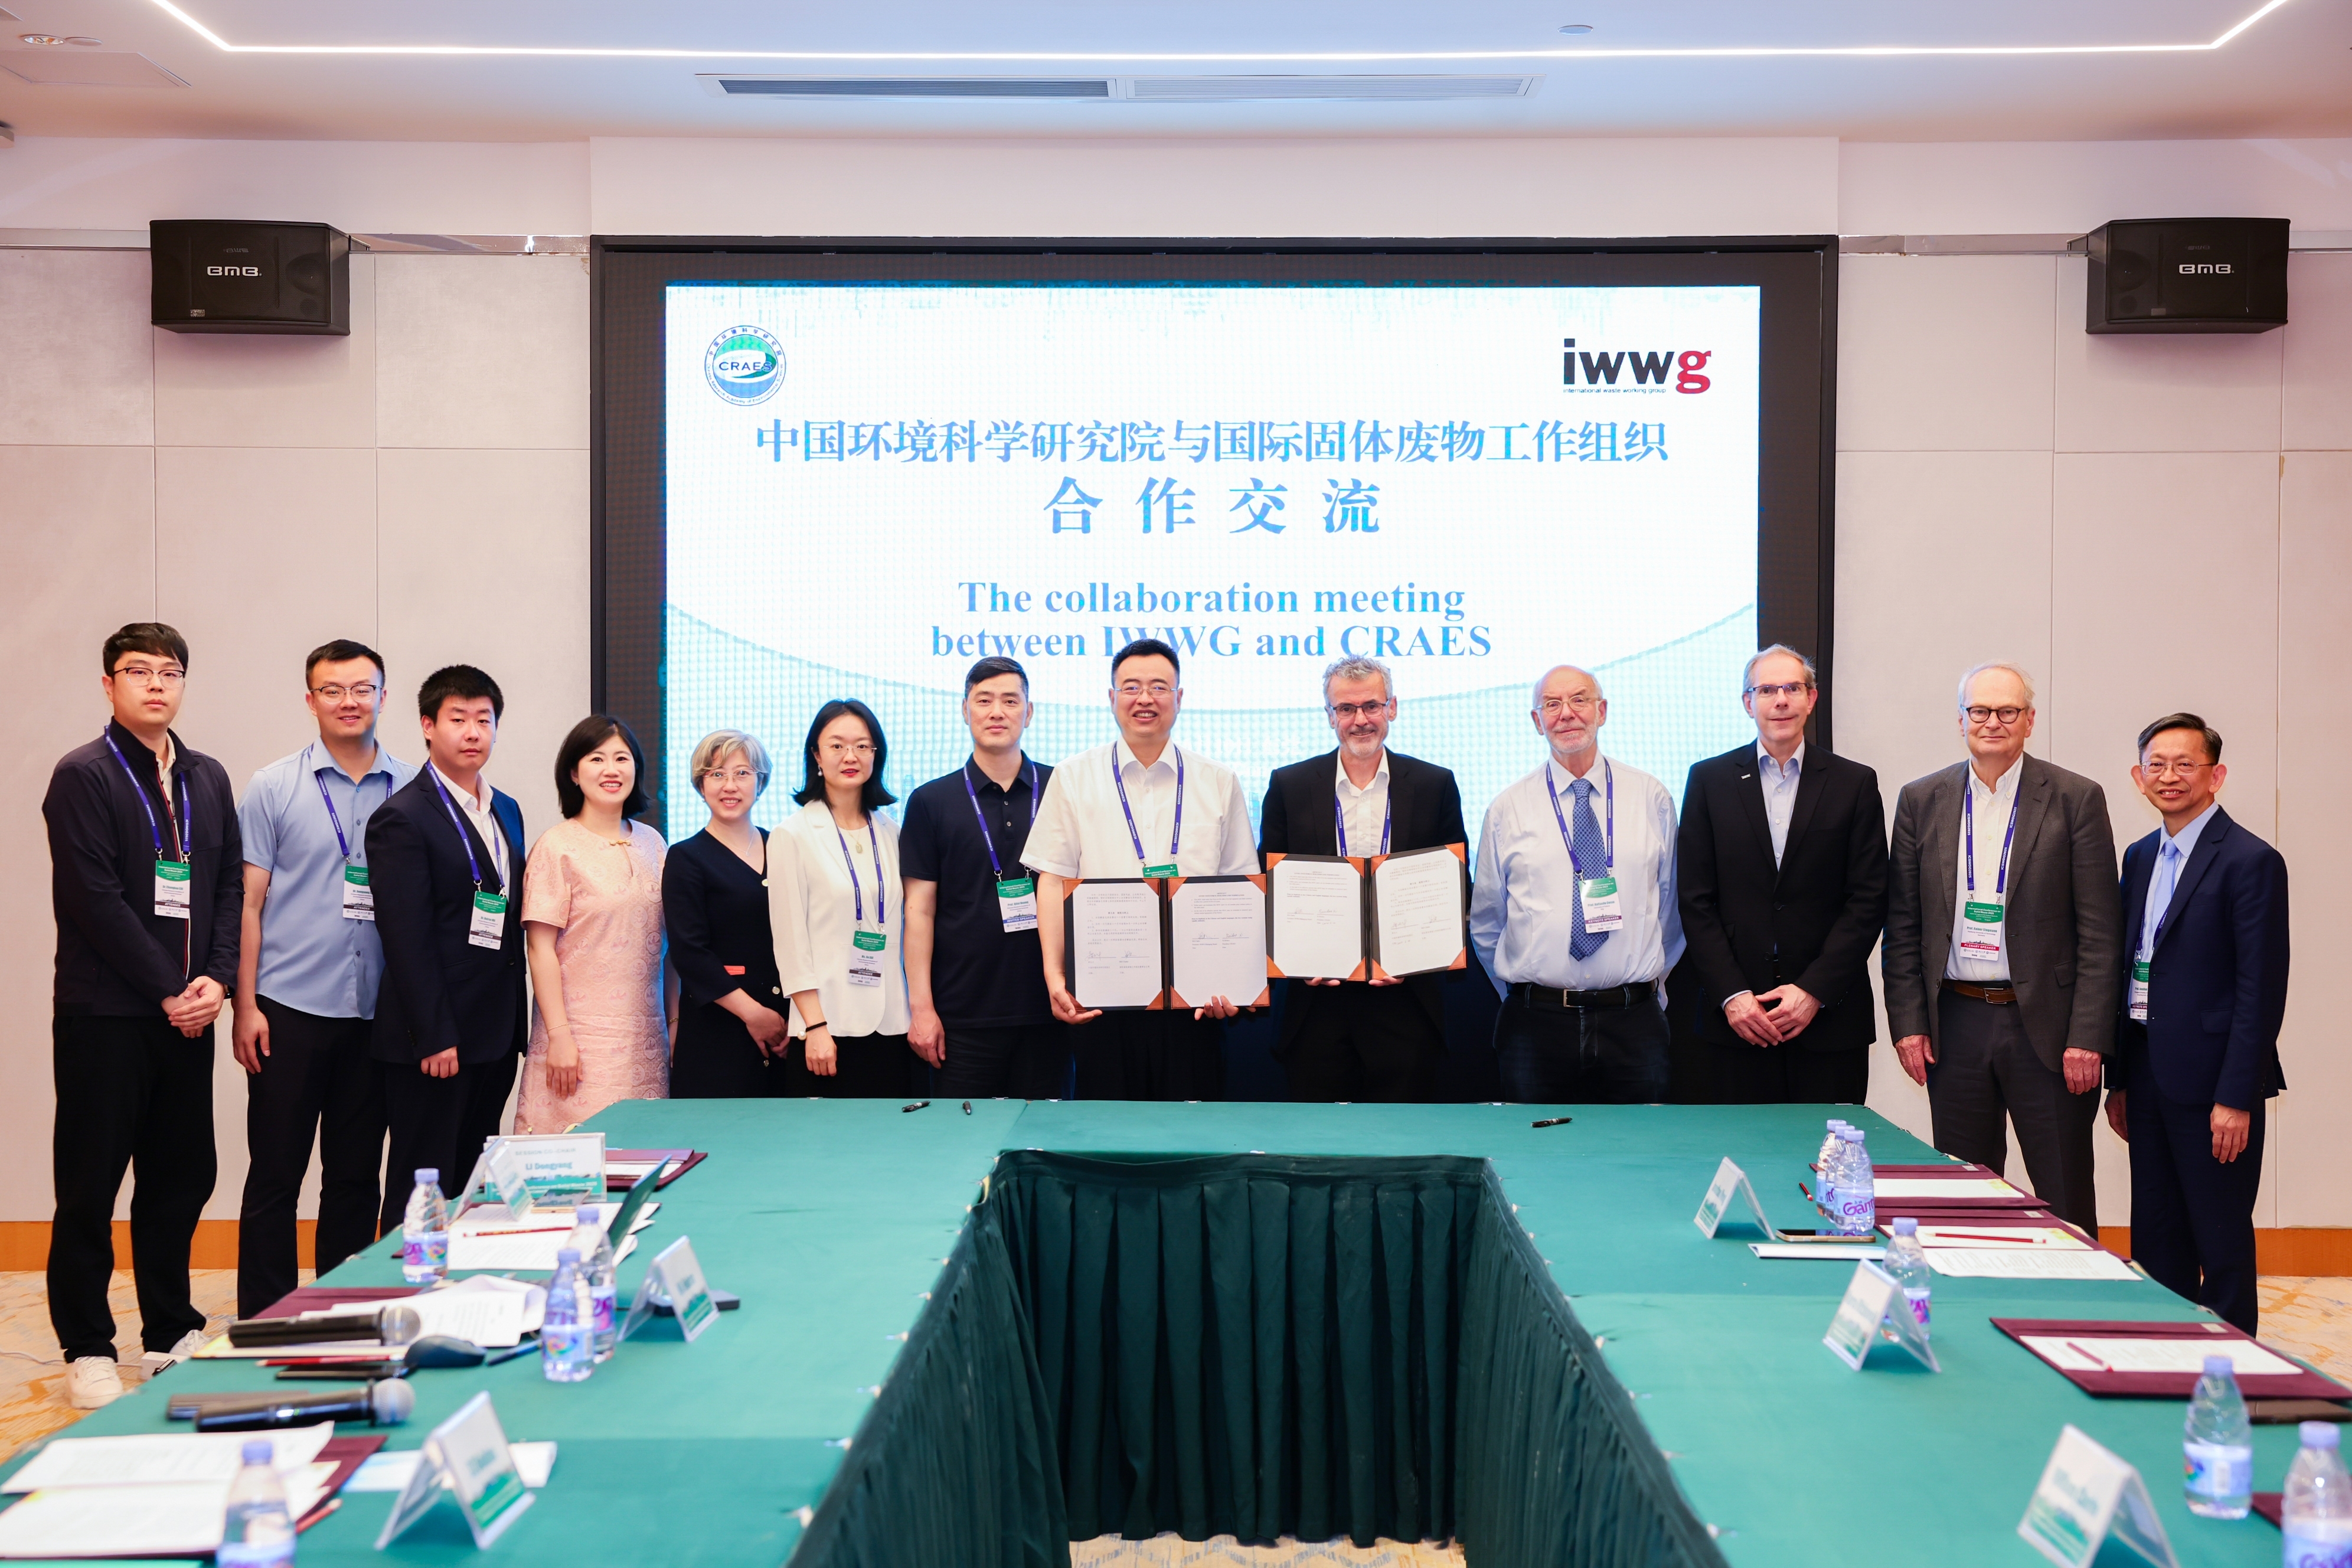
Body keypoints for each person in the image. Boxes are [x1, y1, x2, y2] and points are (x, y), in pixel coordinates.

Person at [43, 623, 240, 1408]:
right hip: (106, 1014)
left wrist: (216, 980)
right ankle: (87, 1344)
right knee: (89, 1183)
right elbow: (95, 901)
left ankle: (169, 1330)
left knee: (180, 1177)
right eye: (138, 671)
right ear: (109, 684)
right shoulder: (83, 775)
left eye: (170, 672)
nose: (156, 685)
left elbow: (227, 888)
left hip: (188, 1015)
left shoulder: (205, 776)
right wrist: (170, 989)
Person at [1883, 662, 2122, 1231]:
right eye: (1980, 711)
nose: (1993, 722)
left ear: (2029, 720)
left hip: (2049, 1029)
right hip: (1955, 1025)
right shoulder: (1921, 799)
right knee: (1965, 1193)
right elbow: (1904, 924)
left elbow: (2100, 932)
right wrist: (1909, 1025)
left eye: (2007, 711)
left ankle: (2071, 1287)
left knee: (2063, 1188)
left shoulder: (2075, 798)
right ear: (1961, 720)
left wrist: (2088, 1037)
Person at [230, 639, 416, 1318]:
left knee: (355, 1178)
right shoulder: (274, 786)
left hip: (377, 1016)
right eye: (333, 690)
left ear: (384, 697)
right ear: (310, 700)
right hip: (287, 1009)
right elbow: (248, 904)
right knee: (276, 1175)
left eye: (362, 688)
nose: (348, 701)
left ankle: (341, 1314)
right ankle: (267, 1317)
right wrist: (244, 1005)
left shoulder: (414, 788)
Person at [2105, 714, 2288, 1334]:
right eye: (2156, 765)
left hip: (2215, 1086)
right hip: (2147, 1072)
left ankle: (2234, 1364)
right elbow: (2130, 969)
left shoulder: (2251, 860)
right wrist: (2120, 1079)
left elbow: (2260, 991)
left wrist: (2235, 1097)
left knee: (2221, 1238)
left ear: (2217, 775)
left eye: (2186, 764)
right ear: (2138, 777)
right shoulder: (2140, 856)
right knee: (2156, 1232)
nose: (2170, 776)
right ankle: (2166, 1350)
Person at [1025, 638, 1259, 1100]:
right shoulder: (1073, 777)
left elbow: (1240, 889)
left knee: (1192, 1130)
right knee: (1110, 1132)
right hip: (1102, 998)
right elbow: (1051, 879)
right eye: (1131, 687)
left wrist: (1235, 984)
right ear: (1112, 698)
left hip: (1194, 1002)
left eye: (1159, 687)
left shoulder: (1218, 780)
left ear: (1179, 697)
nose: (1145, 699)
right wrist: (1055, 977)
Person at [1671, 646, 1888, 1105]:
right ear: (1748, 703)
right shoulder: (1709, 781)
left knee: (1828, 1149)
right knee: (1741, 1147)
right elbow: (1695, 899)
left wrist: (1814, 991)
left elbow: (1868, 899)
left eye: (1792, 688)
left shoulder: (1854, 783)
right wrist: (1732, 995)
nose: (1781, 700)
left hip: (1829, 1019)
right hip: (1737, 1022)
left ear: (1812, 698)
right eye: (1767, 690)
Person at [1469, 665, 1682, 1104]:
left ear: (1602, 711)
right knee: (1533, 1145)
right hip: (1535, 1026)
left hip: (1634, 1023)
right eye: (1552, 704)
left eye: (1580, 700)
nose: (1566, 713)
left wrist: (1645, 986)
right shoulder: (1508, 808)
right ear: (1537, 721)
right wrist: (1529, 992)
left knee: (1643, 1145)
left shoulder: (1651, 797)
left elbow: (1671, 907)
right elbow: (1488, 921)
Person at [1258, 655, 1467, 1102]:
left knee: (1401, 1135)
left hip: (1406, 1005)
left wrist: (1417, 955)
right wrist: (1297, 957)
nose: (1360, 720)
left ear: (1392, 708)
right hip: (1316, 1006)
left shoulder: (1434, 784)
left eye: (1372, 706)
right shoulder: (1289, 785)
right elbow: (1268, 888)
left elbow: (1455, 887)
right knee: (1321, 1138)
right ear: (1329, 715)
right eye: (1346, 709)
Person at [368, 665, 527, 1234]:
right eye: (458, 719)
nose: (473, 732)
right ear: (428, 726)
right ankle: (399, 1283)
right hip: (436, 1041)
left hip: (494, 1032)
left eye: (484, 719)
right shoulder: (401, 817)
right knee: (422, 1186)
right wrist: (435, 1034)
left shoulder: (506, 808)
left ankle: (463, 1282)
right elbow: (404, 937)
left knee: (471, 1184)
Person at [901, 658, 1070, 1100]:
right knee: (962, 1138)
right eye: (984, 700)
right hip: (963, 1016)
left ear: (1029, 713)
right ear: (965, 710)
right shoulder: (930, 801)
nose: (997, 712)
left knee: (1045, 1137)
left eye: (1011, 701)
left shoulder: (1063, 788)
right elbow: (918, 911)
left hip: (1051, 1011)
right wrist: (922, 1009)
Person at [515, 716, 672, 1131]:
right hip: (579, 1043)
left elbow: (669, 948)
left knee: (643, 1153)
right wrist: (559, 1036)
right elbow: (540, 948)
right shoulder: (557, 846)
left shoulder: (654, 844)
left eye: (622, 758)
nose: (611, 769)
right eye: (597, 759)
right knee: (578, 1157)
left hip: (647, 1041)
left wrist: (675, 1025)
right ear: (574, 772)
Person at [770, 699, 920, 1096]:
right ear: (817, 755)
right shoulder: (792, 835)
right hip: (827, 1029)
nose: (850, 756)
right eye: (837, 745)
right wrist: (816, 1026)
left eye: (862, 746)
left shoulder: (892, 832)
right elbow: (790, 944)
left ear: (876, 755)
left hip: (892, 1023)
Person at [664, 730, 791, 1097]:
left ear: (760, 782)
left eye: (742, 773)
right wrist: (755, 1015)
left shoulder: (783, 848)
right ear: (700, 785)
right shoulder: (686, 857)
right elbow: (690, 952)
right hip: (718, 1032)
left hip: (788, 1031)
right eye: (717, 774)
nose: (729, 785)